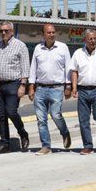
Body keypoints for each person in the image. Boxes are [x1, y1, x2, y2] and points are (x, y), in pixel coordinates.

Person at [0, 21, 30, 154]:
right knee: (1, 115)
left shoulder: (20, 46)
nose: (3, 33)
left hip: (14, 84)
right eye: (1, 31)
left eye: (6, 30)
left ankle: (22, 133)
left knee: (11, 112)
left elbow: (25, 67)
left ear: (12, 31)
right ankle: (5, 144)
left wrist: (23, 86)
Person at [29, 24, 72, 155]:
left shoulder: (62, 47)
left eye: (53, 32)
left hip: (57, 88)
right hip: (40, 88)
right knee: (41, 120)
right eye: (49, 32)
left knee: (56, 115)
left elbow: (68, 67)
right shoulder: (38, 48)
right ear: (43, 34)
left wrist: (68, 86)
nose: (52, 34)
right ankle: (46, 146)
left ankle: (65, 132)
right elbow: (33, 68)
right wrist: (31, 87)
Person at [70, 29, 96, 155]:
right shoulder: (78, 53)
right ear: (85, 40)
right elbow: (74, 71)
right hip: (83, 90)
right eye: (90, 39)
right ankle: (88, 146)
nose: (93, 41)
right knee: (83, 120)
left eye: (95, 38)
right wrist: (74, 88)